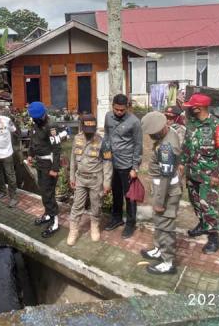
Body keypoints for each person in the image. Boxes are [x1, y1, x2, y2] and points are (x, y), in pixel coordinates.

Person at [179, 93, 219, 254]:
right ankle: (202, 224)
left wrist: (218, 174)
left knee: (209, 206)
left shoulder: (218, 126)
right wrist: (181, 163)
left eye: (191, 108)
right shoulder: (192, 124)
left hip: (209, 176)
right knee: (196, 202)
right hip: (193, 173)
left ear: (197, 108)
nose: (189, 110)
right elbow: (187, 146)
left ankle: (214, 237)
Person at [140, 111, 182, 275]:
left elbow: (165, 176)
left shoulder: (166, 147)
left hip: (167, 192)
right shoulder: (168, 133)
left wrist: (159, 202)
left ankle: (168, 262)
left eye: (152, 133)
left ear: (159, 130)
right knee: (159, 222)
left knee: (166, 227)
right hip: (162, 190)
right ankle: (159, 249)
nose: (150, 136)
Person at [67, 114, 113, 246]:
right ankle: (73, 230)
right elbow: (72, 159)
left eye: (91, 130)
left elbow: (107, 163)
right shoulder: (77, 138)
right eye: (87, 131)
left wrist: (107, 183)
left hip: (95, 179)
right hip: (80, 178)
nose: (89, 134)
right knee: (77, 205)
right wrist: (71, 177)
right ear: (82, 126)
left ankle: (94, 225)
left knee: (96, 205)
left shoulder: (103, 141)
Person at [103, 94, 143, 238]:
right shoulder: (108, 117)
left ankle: (131, 223)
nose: (119, 112)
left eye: (122, 110)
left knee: (130, 196)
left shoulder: (134, 122)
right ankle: (117, 218)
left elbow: (138, 145)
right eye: (116, 109)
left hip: (127, 166)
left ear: (127, 107)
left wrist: (135, 167)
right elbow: (106, 136)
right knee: (116, 193)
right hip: (113, 163)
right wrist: (104, 155)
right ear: (112, 106)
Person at [27, 101, 67, 238]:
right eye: (36, 118)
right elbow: (33, 141)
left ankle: (55, 220)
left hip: (49, 163)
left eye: (40, 117)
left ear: (44, 114)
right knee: (43, 191)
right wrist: (30, 154)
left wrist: (55, 168)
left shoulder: (51, 126)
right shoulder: (35, 123)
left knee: (48, 192)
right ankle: (48, 214)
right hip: (39, 162)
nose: (38, 120)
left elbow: (57, 149)